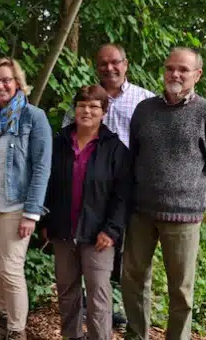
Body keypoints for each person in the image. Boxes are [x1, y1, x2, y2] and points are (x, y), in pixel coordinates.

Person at [122, 47, 206, 340]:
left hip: (184, 218)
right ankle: (136, 335)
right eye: (170, 68)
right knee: (133, 280)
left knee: (181, 290)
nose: (175, 74)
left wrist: (198, 203)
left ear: (197, 75)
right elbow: (133, 157)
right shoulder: (144, 110)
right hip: (141, 214)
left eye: (183, 69)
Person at [62, 44, 154, 327]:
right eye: (103, 63)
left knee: (129, 263)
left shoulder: (145, 101)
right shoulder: (87, 99)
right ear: (96, 66)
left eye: (115, 62)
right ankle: (99, 313)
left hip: (131, 194)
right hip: (89, 197)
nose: (109, 68)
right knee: (95, 259)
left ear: (126, 64)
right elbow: (66, 140)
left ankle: (131, 320)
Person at [42, 85, 131, 340]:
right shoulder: (59, 143)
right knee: (67, 292)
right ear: (75, 109)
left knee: (98, 296)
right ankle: (72, 336)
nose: (87, 111)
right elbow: (48, 184)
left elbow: (123, 195)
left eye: (94, 106)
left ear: (104, 111)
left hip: (98, 236)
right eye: (82, 105)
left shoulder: (115, 149)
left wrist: (112, 230)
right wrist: (47, 220)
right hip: (62, 231)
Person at [0, 57, 52, 340]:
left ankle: (17, 331)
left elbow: (42, 167)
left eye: (6, 79)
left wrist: (32, 214)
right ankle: (3, 317)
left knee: (10, 268)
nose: (1, 85)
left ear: (18, 83)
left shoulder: (34, 117)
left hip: (16, 205)